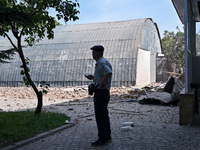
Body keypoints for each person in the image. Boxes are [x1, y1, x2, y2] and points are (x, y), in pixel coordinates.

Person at [85, 45, 112, 146]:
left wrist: (101, 83)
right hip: (104, 92)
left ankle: (102, 138)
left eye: (93, 53)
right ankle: (107, 135)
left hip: (101, 93)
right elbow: (104, 74)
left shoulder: (100, 63)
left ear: (95, 54)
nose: (92, 54)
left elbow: (108, 73)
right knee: (104, 115)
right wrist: (94, 78)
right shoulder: (105, 61)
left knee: (100, 116)